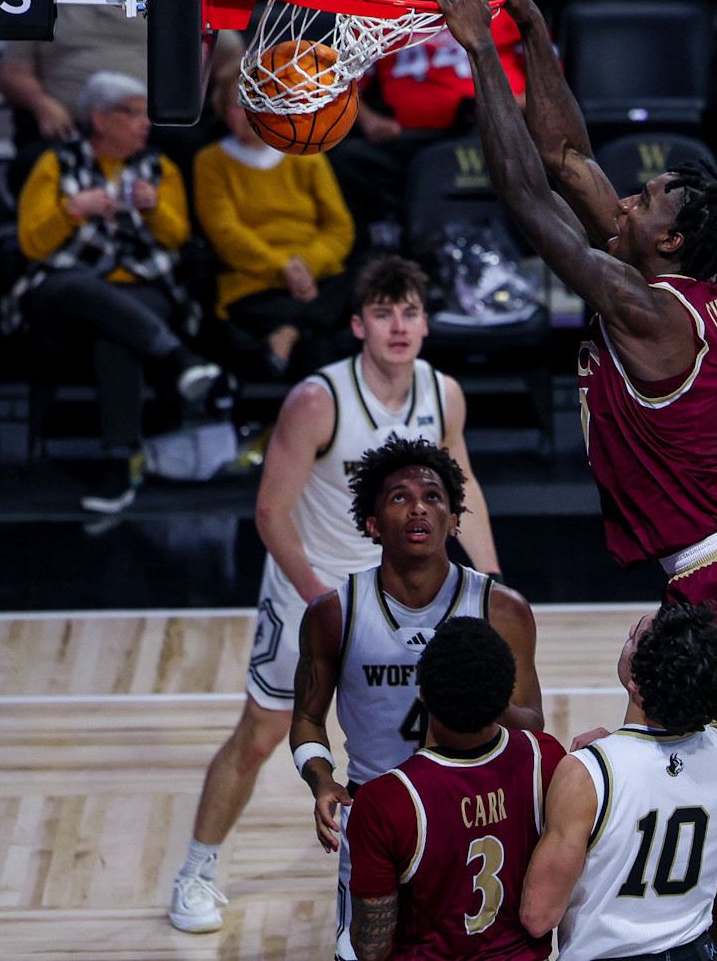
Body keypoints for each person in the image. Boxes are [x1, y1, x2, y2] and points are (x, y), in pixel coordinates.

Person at [436, 0, 717, 961]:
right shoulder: (658, 274)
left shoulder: (652, 309)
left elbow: (530, 198)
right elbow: (565, 157)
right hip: (707, 572)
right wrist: (530, 35)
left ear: (674, 239)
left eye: (648, 198)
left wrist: (478, 53)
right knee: (712, 799)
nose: (631, 193)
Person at [167, 257, 502, 933]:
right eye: (384, 313)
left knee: (419, 738)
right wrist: (328, 605)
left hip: (404, 591)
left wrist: (490, 588)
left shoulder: (445, 394)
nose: (398, 325)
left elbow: (462, 493)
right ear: (358, 325)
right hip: (312, 586)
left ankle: (415, 874)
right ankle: (196, 872)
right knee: (262, 734)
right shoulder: (318, 400)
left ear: (427, 322)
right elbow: (270, 513)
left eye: (409, 311)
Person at [289, 437, 543, 961]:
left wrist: (476, 687)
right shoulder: (333, 613)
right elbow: (308, 719)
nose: (419, 506)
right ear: (373, 523)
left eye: (432, 495)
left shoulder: (501, 609)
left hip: (473, 809)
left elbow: (533, 725)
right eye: (400, 497)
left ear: (454, 520)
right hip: (376, 810)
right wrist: (321, 781)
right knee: (366, 951)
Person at [9, 70, 220, 513]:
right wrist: (71, 210)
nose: (146, 123)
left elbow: (177, 239)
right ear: (100, 119)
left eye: (147, 114)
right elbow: (31, 244)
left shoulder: (158, 169)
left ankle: (118, 464)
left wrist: (157, 209)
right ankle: (179, 358)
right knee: (80, 288)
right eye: (134, 113)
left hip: (141, 286)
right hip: (62, 290)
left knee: (115, 335)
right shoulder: (55, 164)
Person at [521, 603, 717, 961]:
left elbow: (539, 915)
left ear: (637, 681)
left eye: (636, 637)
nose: (631, 629)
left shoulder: (588, 774)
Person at [345, 616, 565, 961]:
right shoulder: (546, 758)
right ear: (506, 692)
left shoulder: (384, 802)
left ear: (421, 690)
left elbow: (370, 948)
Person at [326, 0, 528, 228]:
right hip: (406, 142)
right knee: (344, 160)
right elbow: (346, 83)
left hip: (484, 135)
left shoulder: (498, 9)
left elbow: (546, 86)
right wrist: (369, 120)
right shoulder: (380, 14)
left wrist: (507, 105)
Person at [192, 34, 359, 378]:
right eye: (240, 106)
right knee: (321, 334)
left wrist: (306, 266)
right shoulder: (211, 161)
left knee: (364, 276)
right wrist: (286, 268)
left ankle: (290, 334)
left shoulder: (306, 154)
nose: (250, 115)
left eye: (260, 104)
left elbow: (339, 226)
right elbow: (225, 234)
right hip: (254, 281)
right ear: (224, 112)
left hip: (316, 277)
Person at [0, 3, 148, 189]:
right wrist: (41, 104)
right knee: (32, 162)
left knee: (184, 143)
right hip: (67, 125)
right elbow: (12, 72)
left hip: (146, 120)